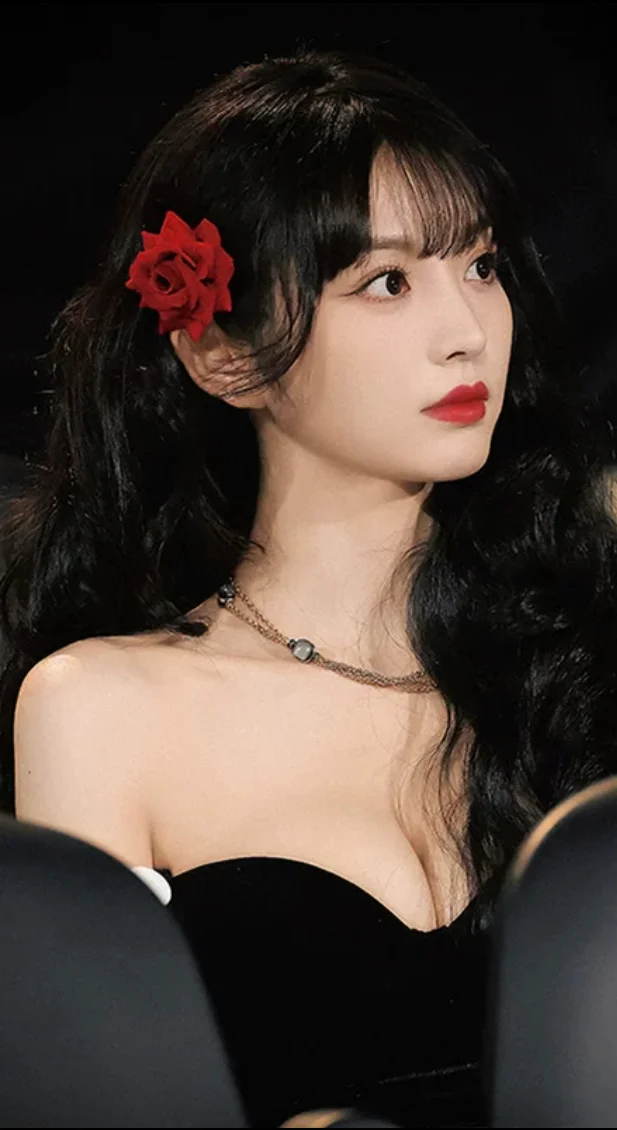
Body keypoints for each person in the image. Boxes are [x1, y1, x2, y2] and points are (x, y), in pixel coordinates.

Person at [1, 48, 616, 1128]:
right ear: (221, 355)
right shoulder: (101, 709)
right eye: (386, 282)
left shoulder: (578, 635)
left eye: (479, 265)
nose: (467, 331)